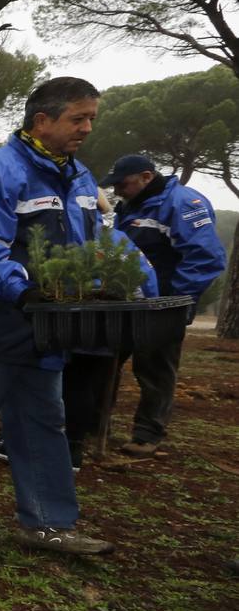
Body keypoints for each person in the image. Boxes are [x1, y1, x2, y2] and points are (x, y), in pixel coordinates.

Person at [0, 77, 131, 556]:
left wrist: (128, 281)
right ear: (42, 121)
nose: (87, 128)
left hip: (48, 329)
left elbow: (97, 244)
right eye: (78, 118)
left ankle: (48, 523)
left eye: (91, 119)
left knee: (44, 422)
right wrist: (22, 289)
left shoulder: (80, 178)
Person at [102, 153, 227, 457]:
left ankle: (147, 434)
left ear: (146, 177)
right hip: (126, 300)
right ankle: (96, 427)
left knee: (154, 367)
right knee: (104, 362)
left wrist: (173, 299)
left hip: (164, 303)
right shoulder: (130, 205)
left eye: (123, 184)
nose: (117, 190)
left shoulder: (183, 203)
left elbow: (205, 258)